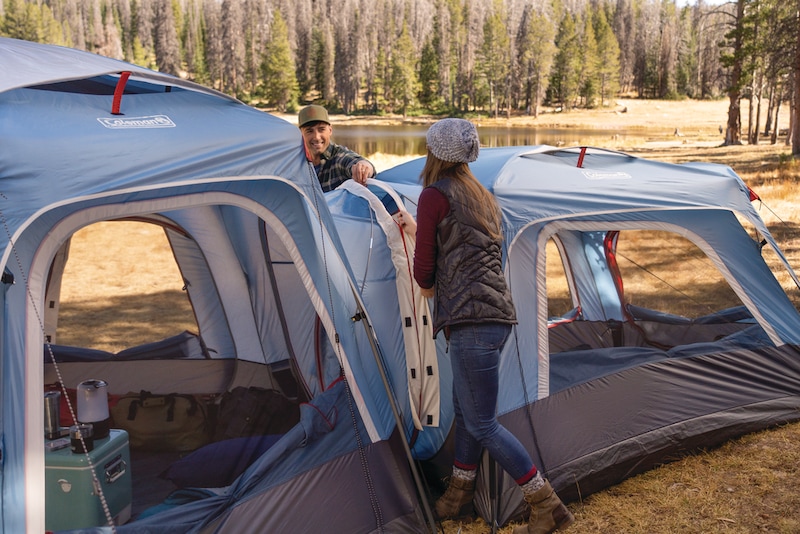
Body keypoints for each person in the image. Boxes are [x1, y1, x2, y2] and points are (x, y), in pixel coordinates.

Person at [397, 118, 574, 534]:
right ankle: (459, 495)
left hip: (470, 320)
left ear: (434, 152)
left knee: (482, 423)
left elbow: (424, 274)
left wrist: (427, 278)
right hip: (496, 316)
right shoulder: (481, 195)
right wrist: (418, 230)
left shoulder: (433, 195)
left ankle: (546, 504)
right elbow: (468, 249)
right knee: (467, 411)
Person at [297, 104, 375, 192]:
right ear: (300, 134)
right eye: (309, 131)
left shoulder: (338, 158)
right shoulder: (295, 162)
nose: (317, 137)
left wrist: (363, 168)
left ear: (330, 130)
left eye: (321, 129)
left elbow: (354, 161)